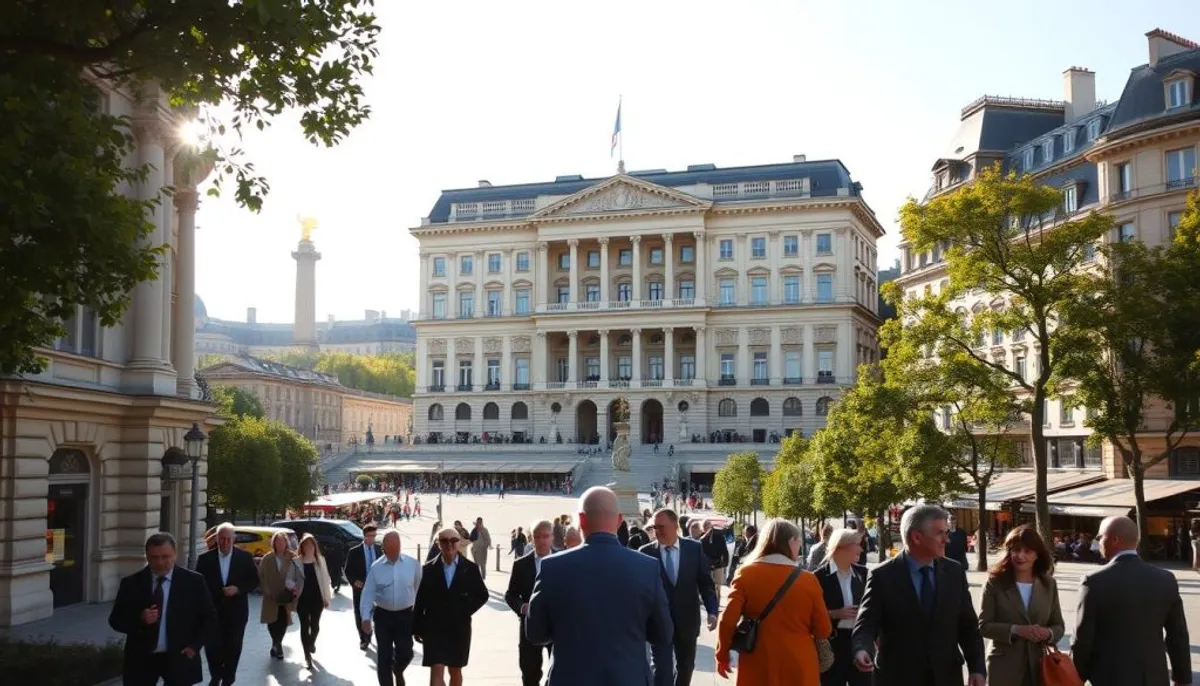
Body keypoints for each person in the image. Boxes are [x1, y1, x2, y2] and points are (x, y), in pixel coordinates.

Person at [526, 486, 673, 686]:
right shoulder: (647, 567)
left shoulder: (552, 567)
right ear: (619, 520)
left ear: (581, 520)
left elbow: (535, 633)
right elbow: (663, 633)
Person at [851, 504, 986, 686]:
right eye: (940, 533)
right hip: (898, 677)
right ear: (916, 537)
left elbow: (968, 626)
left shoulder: (954, 571)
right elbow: (867, 623)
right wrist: (862, 650)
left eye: (947, 532)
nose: (947, 540)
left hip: (946, 675)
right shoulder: (883, 576)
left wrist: (977, 668)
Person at [1071, 516, 1192, 686]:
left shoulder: (1093, 581)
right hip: (1153, 677)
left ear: (1114, 540)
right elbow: (1177, 634)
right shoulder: (1166, 579)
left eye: (1100, 537)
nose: (1097, 542)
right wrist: (1182, 677)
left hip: (1109, 677)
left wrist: (1076, 677)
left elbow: (1082, 639)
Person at [715, 519, 831, 685]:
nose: (799, 547)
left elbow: (727, 620)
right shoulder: (808, 580)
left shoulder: (745, 574)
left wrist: (722, 654)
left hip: (758, 660)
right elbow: (823, 629)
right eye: (798, 542)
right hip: (799, 661)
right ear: (791, 541)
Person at [109, 532, 216, 686]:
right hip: (141, 660)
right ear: (147, 556)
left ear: (175, 554)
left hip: (180, 657)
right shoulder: (131, 583)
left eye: (165, 557)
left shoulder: (194, 582)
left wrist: (194, 646)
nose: (160, 562)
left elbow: (209, 618)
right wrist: (140, 619)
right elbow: (115, 620)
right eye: (154, 557)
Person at [640, 508, 719, 686]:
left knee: (686, 667)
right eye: (654, 527)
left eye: (661, 526)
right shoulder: (645, 553)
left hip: (687, 622)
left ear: (675, 526)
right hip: (658, 624)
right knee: (661, 669)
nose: (657, 531)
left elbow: (705, 583)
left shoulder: (694, 549)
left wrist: (712, 611)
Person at [978, 525, 1065, 686]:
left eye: (1027, 551)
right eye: (1016, 550)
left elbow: (1058, 626)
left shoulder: (1048, 584)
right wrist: (1016, 630)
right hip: (1003, 668)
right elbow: (984, 626)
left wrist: (1047, 633)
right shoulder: (994, 583)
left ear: (1037, 555)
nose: (1020, 556)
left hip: (1040, 667)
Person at [414, 527, 490, 686]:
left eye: (454, 540)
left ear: (460, 542)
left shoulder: (470, 568)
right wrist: (417, 627)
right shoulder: (428, 569)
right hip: (434, 627)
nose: (449, 544)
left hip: (458, 628)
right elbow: (420, 599)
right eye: (444, 541)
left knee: (455, 670)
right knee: (436, 668)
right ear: (438, 544)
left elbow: (482, 595)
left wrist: (465, 609)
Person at [197, 523, 259, 686]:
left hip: (236, 612)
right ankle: (216, 675)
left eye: (228, 539)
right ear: (217, 539)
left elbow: (254, 581)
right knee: (212, 647)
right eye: (222, 539)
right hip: (213, 612)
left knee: (233, 647)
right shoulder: (205, 559)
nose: (224, 543)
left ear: (234, 540)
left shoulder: (244, 557)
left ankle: (228, 678)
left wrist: (238, 589)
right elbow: (199, 586)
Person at [361, 530, 422, 686]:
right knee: (384, 657)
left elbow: (418, 588)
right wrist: (365, 618)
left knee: (406, 652)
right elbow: (367, 594)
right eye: (391, 550)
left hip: (405, 616)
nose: (394, 553)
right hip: (383, 616)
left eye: (397, 549)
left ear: (400, 547)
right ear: (384, 549)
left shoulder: (412, 565)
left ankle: (398, 669)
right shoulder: (376, 567)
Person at [813, 528, 868, 686]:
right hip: (832, 646)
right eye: (857, 544)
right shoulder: (817, 577)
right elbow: (809, 614)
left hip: (859, 644)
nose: (861, 548)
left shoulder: (863, 574)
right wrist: (833, 613)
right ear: (841, 547)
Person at [505, 519, 555, 686]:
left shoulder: (564, 561)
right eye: (537, 536)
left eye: (545, 536)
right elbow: (510, 595)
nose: (541, 540)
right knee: (529, 673)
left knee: (560, 671)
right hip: (529, 625)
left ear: (552, 537)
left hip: (557, 626)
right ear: (532, 538)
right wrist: (521, 606)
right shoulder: (521, 564)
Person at [258, 530, 304, 661]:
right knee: (272, 621)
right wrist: (266, 590)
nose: (280, 543)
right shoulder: (267, 558)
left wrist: (295, 588)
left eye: (282, 541)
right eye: (277, 541)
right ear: (274, 543)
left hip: (285, 595)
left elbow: (298, 574)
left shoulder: (292, 557)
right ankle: (276, 643)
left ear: (286, 542)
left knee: (283, 620)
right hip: (271, 596)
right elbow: (261, 576)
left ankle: (278, 644)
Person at [295, 533, 333, 670]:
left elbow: (326, 579)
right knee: (304, 626)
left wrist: (326, 598)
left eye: (311, 545)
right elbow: (289, 579)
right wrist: (292, 586)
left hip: (317, 599)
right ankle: (307, 656)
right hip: (302, 599)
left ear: (314, 546)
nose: (309, 547)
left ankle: (311, 643)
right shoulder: (296, 561)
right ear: (302, 547)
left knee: (315, 626)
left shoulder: (320, 560)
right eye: (306, 545)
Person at [346, 524, 383, 650]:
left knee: (377, 612)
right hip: (361, 588)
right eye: (370, 536)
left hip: (377, 588)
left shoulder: (379, 550)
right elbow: (348, 570)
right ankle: (364, 638)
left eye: (374, 535)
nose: (373, 538)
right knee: (360, 613)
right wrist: (354, 581)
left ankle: (372, 631)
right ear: (364, 536)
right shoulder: (354, 551)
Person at [699, 521, 730, 589]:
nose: (705, 529)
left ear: (710, 527)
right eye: (704, 528)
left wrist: (724, 562)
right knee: (707, 585)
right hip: (706, 563)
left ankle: (717, 598)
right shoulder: (701, 536)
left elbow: (724, 550)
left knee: (717, 584)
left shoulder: (718, 535)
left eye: (706, 527)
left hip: (718, 562)